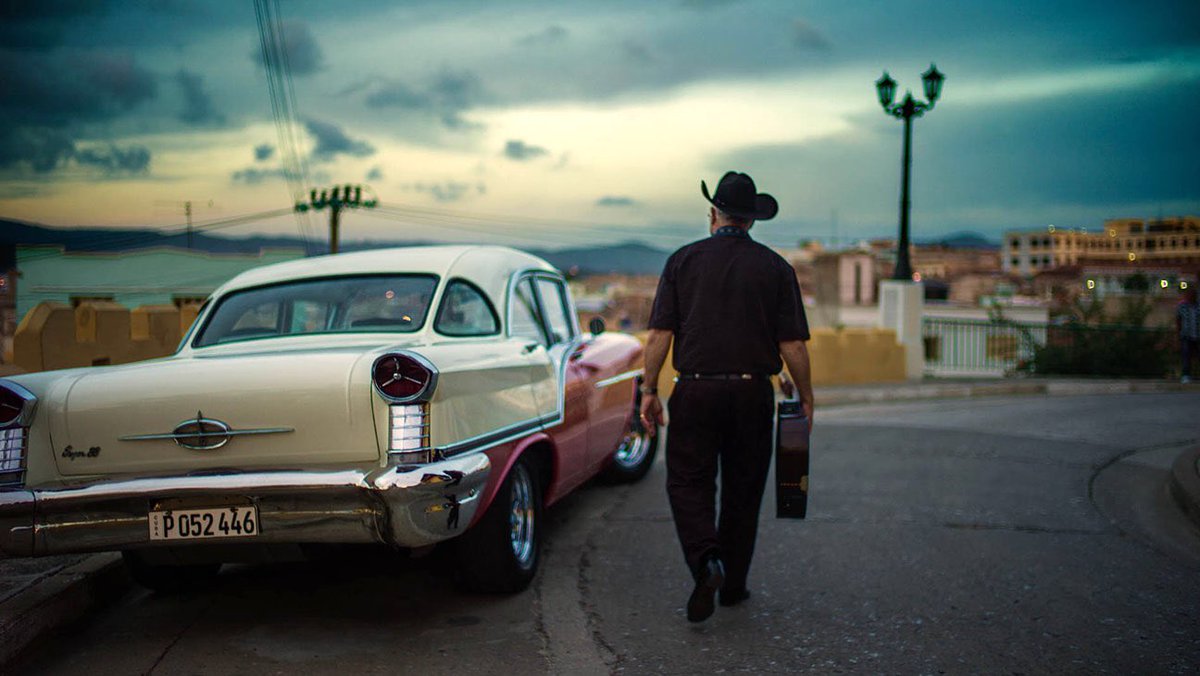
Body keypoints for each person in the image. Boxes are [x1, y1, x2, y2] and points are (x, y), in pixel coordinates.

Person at [639, 171, 814, 623]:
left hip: (694, 389)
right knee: (744, 489)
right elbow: (793, 344)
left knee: (687, 482)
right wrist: (806, 397)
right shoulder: (777, 268)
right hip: (753, 392)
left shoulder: (682, 261)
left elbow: (660, 333)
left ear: (713, 214)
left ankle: (706, 561)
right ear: (752, 221)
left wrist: (648, 389)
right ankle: (732, 586)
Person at [1177, 286, 1199, 383]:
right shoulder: (1182, 307)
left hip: (1198, 335)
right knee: (1186, 356)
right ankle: (1186, 375)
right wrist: (1178, 334)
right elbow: (1178, 320)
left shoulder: (1198, 306)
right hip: (1186, 335)